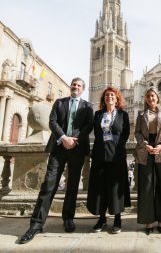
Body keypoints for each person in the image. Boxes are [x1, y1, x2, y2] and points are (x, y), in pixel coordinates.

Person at [20, 77, 93, 244]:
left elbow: (89, 126)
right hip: (58, 148)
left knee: (73, 186)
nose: (76, 87)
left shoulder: (88, 106)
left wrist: (74, 139)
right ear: (71, 87)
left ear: (83, 89)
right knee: (48, 185)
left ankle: (68, 219)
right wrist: (63, 138)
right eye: (74, 84)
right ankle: (36, 224)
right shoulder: (60, 103)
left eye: (79, 85)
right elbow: (52, 122)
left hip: (77, 148)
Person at [86, 87, 130, 234]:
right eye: (107, 95)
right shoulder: (98, 114)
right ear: (103, 99)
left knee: (115, 188)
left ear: (117, 99)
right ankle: (102, 218)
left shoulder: (123, 115)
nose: (109, 97)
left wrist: (114, 146)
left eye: (112, 95)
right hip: (99, 155)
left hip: (116, 156)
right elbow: (96, 133)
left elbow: (125, 134)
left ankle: (117, 218)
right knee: (100, 187)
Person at [134, 88, 161, 235]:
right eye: (148, 96)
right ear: (145, 99)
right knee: (146, 186)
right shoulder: (141, 114)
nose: (151, 98)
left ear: (158, 98)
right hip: (146, 149)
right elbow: (137, 132)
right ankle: (148, 221)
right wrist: (145, 145)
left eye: (153, 96)